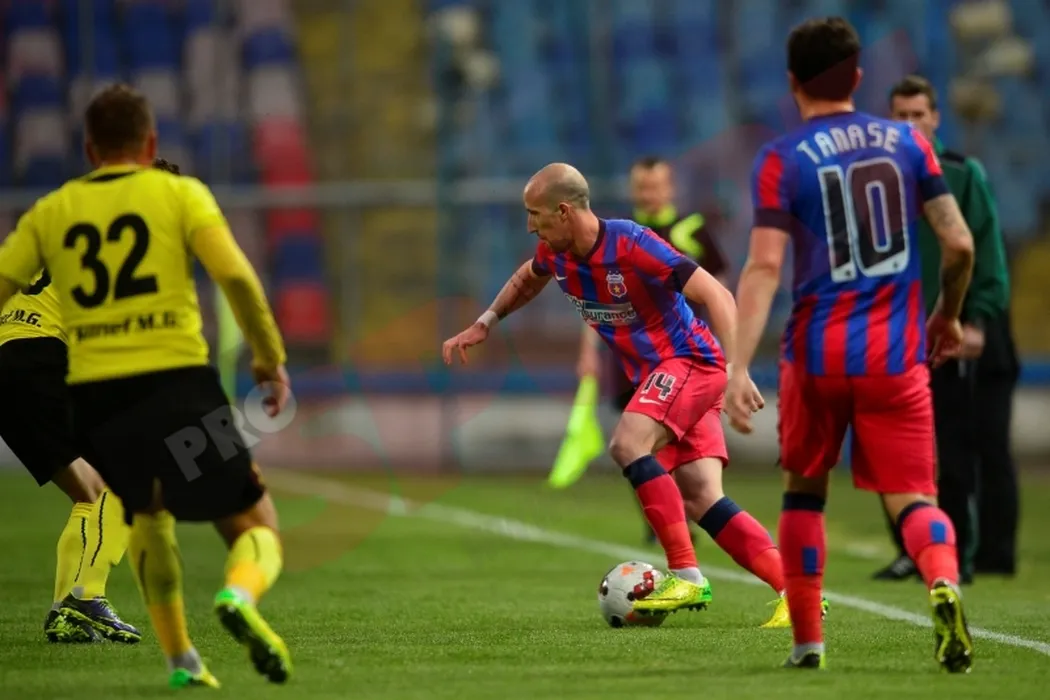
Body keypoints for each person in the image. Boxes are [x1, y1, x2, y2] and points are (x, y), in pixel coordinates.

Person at [0, 85, 292, 689]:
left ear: (89, 149)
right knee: (247, 518)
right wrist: (270, 358)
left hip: (68, 372)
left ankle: (173, 654)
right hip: (163, 374)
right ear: (149, 142)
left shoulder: (56, 209)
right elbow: (237, 276)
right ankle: (222, 599)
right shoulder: (177, 197)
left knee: (120, 499)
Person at [443, 162, 819, 628]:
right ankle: (796, 594)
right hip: (665, 375)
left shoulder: (632, 244)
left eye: (535, 214)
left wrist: (737, 369)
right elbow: (529, 277)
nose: (529, 225)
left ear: (564, 211)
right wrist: (486, 322)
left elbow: (718, 294)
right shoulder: (556, 253)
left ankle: (685, 574)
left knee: (627, 443)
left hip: (689, 361)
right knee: (702, 497)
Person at [726, 18, 976, 672]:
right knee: (915, 497)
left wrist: (736, 364)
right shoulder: (909, 144)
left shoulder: (781, 158)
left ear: (792, 82)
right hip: (895, 357)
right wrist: (948, 316)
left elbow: (763, 267)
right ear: (858, 77)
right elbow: (958, 244)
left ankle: (808, 642)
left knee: (804, 493)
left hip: (815, 357)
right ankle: (943, 580)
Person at [871, 75, 1012, 583]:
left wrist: (976, 319)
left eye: (918, 115)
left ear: (935, 118)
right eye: (900, 116)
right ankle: (910, 549)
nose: (910, 124)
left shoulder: (961, 174)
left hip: (941, 336)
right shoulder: (873, 177)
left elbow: (984, 248)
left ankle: (957, 557)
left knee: (951, 450)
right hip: (888, 336)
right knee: (889, 452)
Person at [576, 156, 727, 545]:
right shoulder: (617, 234)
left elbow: (720, 288)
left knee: (674, 440)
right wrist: (589, 350)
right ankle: (659, 518)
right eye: (642, 187)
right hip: (629, 356)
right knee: (633, 441)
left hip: (683, 355)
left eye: (656, 186)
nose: (649, 194)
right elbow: (595, 298)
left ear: (670, 187)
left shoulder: (691, 229)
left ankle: (680, 514)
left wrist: (726, 347)